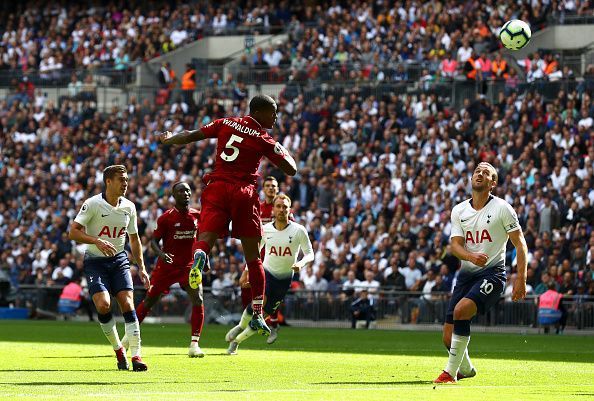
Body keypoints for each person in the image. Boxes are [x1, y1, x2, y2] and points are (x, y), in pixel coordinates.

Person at [159, 94, 297, 337]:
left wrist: (170, 139)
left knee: (205, 238)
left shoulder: (225, 123)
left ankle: (200, 255)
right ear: (259, 112)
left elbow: (190, 135)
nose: (275, 117)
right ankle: (256, 314)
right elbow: (291, 168)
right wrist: (279, 147)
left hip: (217, 187)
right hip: (243, 192)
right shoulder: (263, 138)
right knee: (254, 257)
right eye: (273, 112)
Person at [434, 162, 528, 384]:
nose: (480, 173)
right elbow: (455, 246)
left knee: (461, 310)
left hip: (493, 274)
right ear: (471, 178)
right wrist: (470, 257)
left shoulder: (503, 208)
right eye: (477, 170)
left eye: (486, 173)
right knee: (448, 337)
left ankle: (449, 374)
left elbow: (520, 244)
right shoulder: (459, 210)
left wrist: (521, 278)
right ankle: (465, 369)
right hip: (466, 275)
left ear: (492, 183)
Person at [68, 165, 150, 371]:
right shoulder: (93, 204)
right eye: (121, 179)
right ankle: (119, 351)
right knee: (104, 305)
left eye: (127, 179)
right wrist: (97, 241)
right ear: (108, 182)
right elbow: (73, 232)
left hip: (119, 261)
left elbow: (134, 238)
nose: (125, 183)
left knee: (128, 304)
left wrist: (141, 267)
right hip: (95, 262)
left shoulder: (129, 207)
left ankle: (137, 357)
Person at [121, 182, 205, 357]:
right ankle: (128, 338)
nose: (186, 193)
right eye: (181, 190)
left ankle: (194, 344)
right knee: (150, 301)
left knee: (198, 299)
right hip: (166, 266)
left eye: (188, 190)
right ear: (174, 195)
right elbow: (153, 242)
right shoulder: (166, 218)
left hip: (189, 266)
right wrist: (161, 254)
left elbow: (203, 239)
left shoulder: (198, 215)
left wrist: (205, 256)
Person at [225, 194, 313, 354]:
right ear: (273, 209)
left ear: (289, 209)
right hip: (266, 274)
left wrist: (301, 263)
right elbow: (255, 251)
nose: (281, 209)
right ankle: (240, 326)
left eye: (284, 207)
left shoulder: (299, 230)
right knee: (257, 306)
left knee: (264, 315)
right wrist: (246, 271)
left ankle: (237, 342)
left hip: (284, 280)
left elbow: (310, 253)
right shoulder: (265, 230)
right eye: (278, 206)